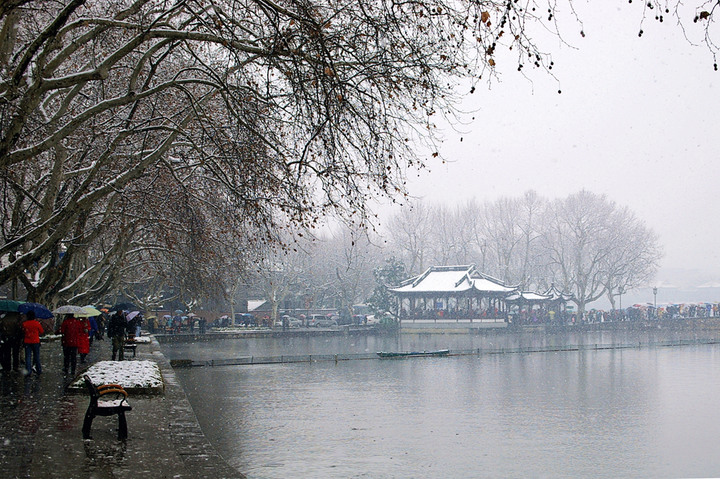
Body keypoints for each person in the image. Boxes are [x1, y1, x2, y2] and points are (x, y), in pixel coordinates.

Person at [22, 311, 43, 376]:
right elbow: (42, 331)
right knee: (36, 356)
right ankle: (38, 370)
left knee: (28, 357)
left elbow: (23, 331)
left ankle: (28, 371)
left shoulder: (25, 323)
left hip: (27, 342)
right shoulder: (37, 323)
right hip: (35, 341)